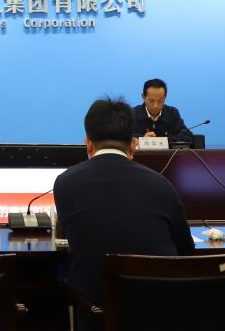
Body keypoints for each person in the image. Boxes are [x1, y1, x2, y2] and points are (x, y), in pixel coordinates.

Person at [54, 97, 194, 328]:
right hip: (159, 310)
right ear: (134, 144)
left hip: (98, 313)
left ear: (88, 144)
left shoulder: (65, 183)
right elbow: (186, 252)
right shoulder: (163, 185)